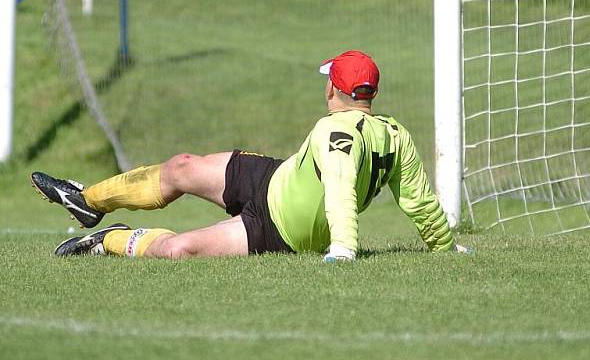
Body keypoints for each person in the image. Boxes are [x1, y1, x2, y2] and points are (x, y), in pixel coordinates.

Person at [32, 50, 467, 261]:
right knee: (184, 166)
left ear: (332, 88)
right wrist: (443, 245)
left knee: (181, 249)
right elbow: (420, 202)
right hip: (273, 177)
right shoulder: (397, 133)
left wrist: (343, 249)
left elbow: (340, 189)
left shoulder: (338, 130)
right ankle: (86, 201)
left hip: (276, 233)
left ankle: (107, 240)